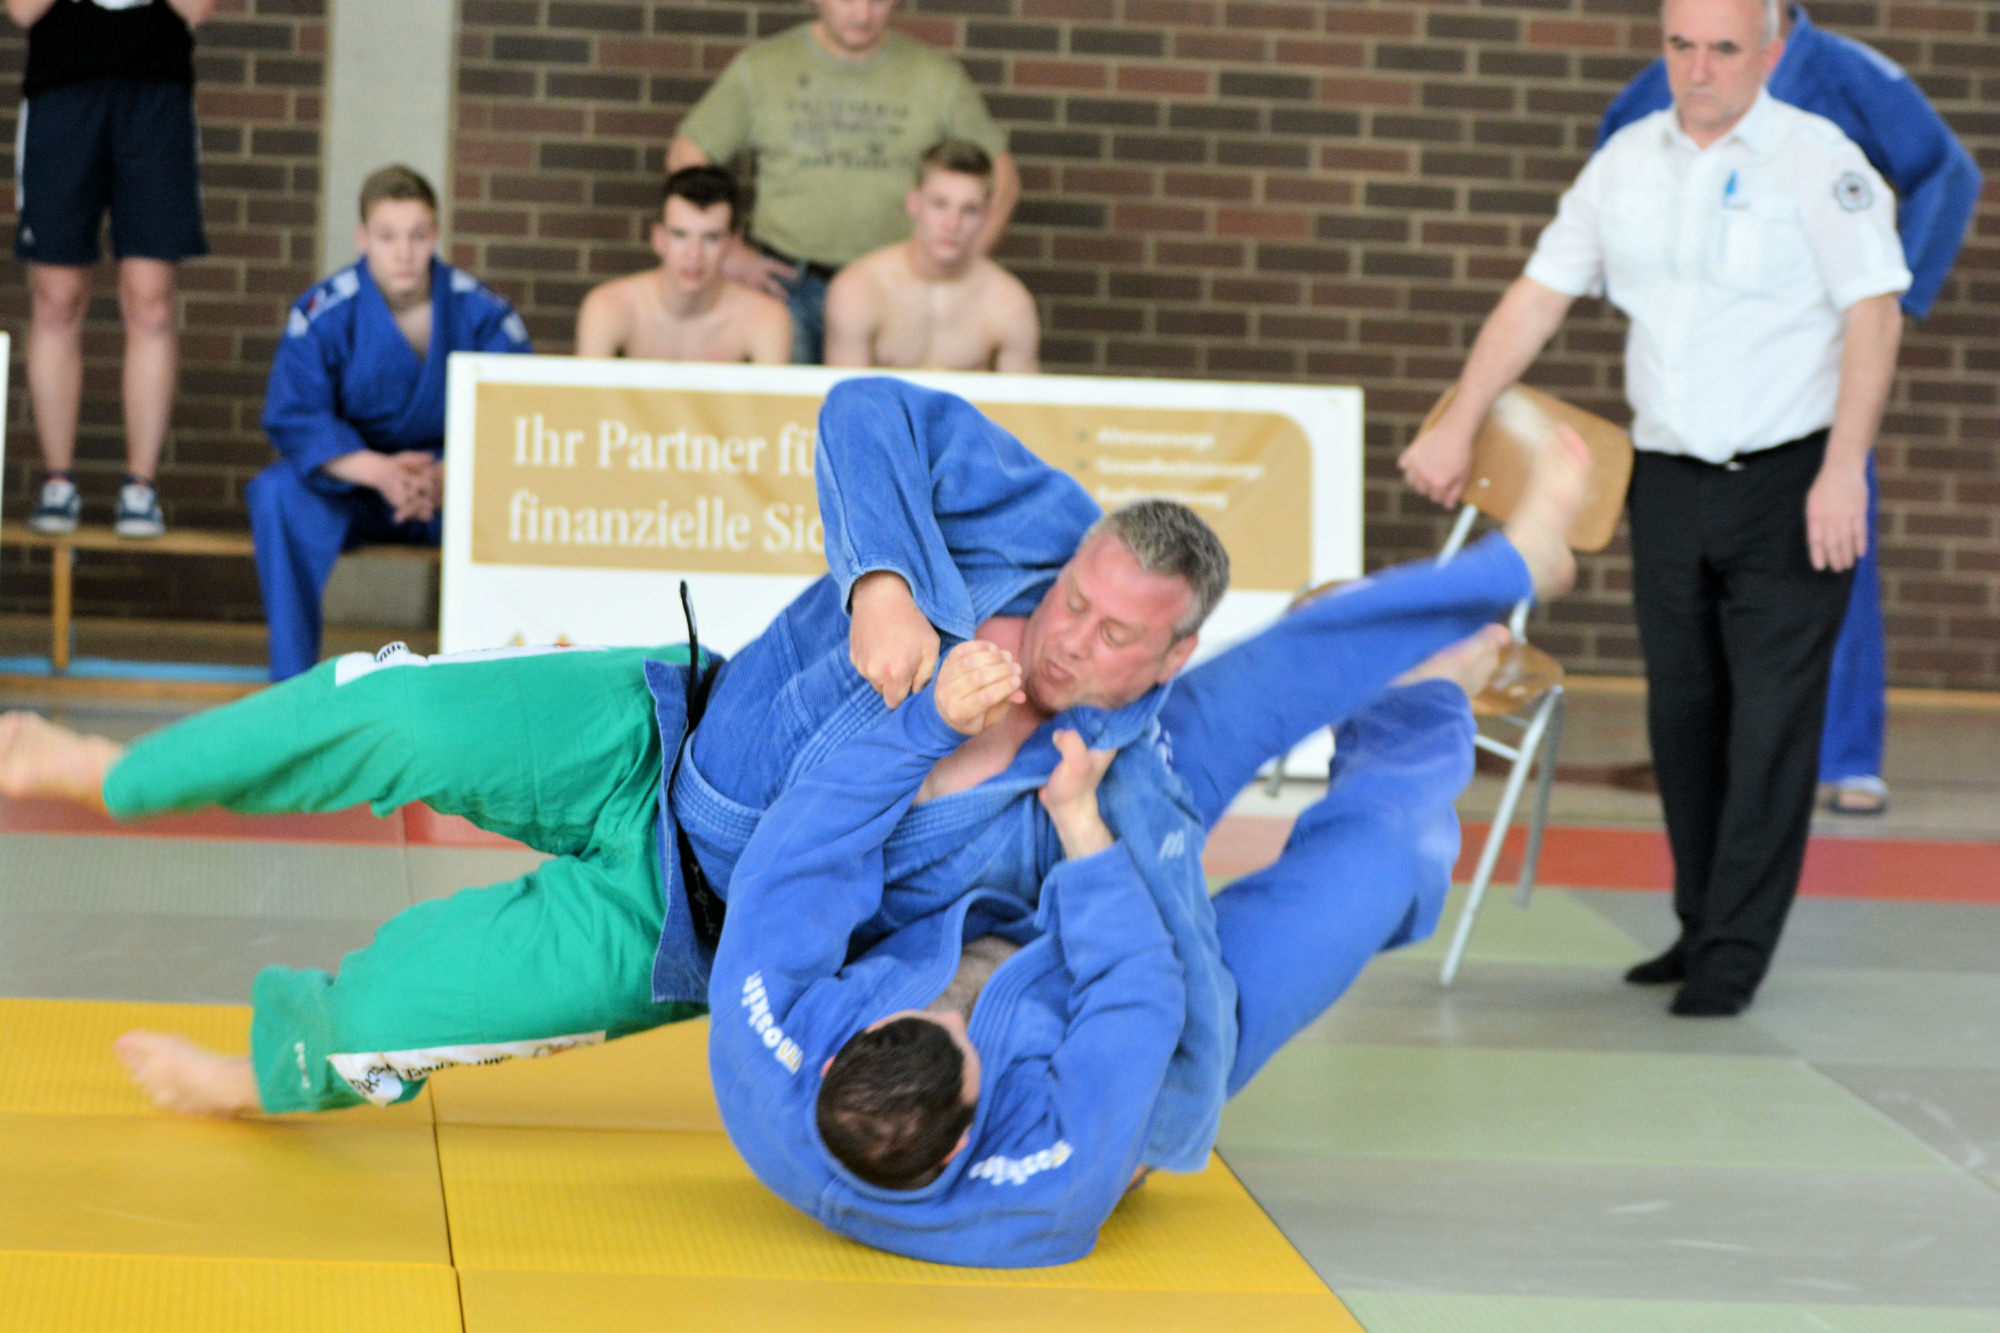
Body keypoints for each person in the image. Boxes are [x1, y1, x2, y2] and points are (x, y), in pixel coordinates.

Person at [0, 378, 1583, 1130]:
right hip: (647, 728)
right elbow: (870, 411)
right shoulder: (1026, 516)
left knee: (417, 1010)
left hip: (678, 928)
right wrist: (887, 582)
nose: (1070, 636)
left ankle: (272, 1075)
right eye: (1073, 601)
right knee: (388, 712)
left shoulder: (1118, 783)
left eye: (1115, 637)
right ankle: (112, 773)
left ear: (1168, 660)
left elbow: (1184, 944)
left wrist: (1502, 582)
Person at [1398, 0, 1910, 1016]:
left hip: (1790, 480)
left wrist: (1844, 468)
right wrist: (1457, 421)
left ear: (1768, 54)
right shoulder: (1626, 161)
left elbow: (1873, 314)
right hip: (1668, 481)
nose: (1699, 69)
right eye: (1681, 46)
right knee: (1683, 713)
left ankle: (1732, 955)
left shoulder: (1818, 160)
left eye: (1723, 49)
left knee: (1768, 726)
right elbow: (1536, 296)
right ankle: (1696, 921)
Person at [711, 624, 1518, 1267]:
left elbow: (802, 849)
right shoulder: (1042, 1187)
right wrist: (1079, 822)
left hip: (1010, 915)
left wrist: (930, 727)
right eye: (963, 1037)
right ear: (963, 1140)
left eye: (921, 1012)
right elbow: (1141, 994)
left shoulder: (765, 1046)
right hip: (1161, 1048)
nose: (951, 1013)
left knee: (1144, 733)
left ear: (835, 1056)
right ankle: (1422, 698)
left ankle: (1341, 652)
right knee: (1384, 860)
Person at [1596, 3, 1981, 818]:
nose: (1702, 61)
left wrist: (1891, 295)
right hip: (1703, 376)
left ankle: (1845, 756)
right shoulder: (1663, 86)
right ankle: (1730, 755)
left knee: (1832, 544)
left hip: (1815, 363)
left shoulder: (1848, 73)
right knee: (1697, 588)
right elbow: (1615, 171)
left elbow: (1947, 174)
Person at [247, 165, 532, 683]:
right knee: (276, 493)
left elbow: (516, 415)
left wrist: (445, 474)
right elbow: (295, 415)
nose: (404, 253)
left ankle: (506, 675)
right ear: (362, 238)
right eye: (387, 236)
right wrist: (380, 472)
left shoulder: (483, 311)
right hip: (355, 488)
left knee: (527, 495)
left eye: (417, 236)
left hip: (454, 489)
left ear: (436, 234)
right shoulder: (322, 312)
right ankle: (291, 684)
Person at [666, 0, 1018, 365]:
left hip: (890, 290)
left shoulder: (936, 77)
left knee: (879, 403)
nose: (862, 14)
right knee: (788, 402)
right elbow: (687, 155)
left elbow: (1003, 181)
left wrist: (961, 265)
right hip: (787, 286)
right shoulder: (764, 67)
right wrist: (726, 255)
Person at [12, 0, 214, 539]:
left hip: (156, 94)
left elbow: (199, 8)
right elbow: (22, 11)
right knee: (57, 296)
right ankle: (58, 481)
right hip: (61, 90)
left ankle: (140, 488)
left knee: (151, 299)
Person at [823, 140, 1039, 372]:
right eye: (939, 204)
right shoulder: (858, 288)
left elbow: (1023, 395)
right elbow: (848, 393)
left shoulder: (1009, 302)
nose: (952, 224)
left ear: (986, 216)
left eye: (969, 210)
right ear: (914, 204)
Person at [573, 165, 792, 365]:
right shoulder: (610, 306)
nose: (694, 254)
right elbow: (587, 395)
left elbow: (772, 397)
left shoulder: (765, 318)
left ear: (733, 244)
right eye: (680, 235)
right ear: (658, 238)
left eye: (711, 238)